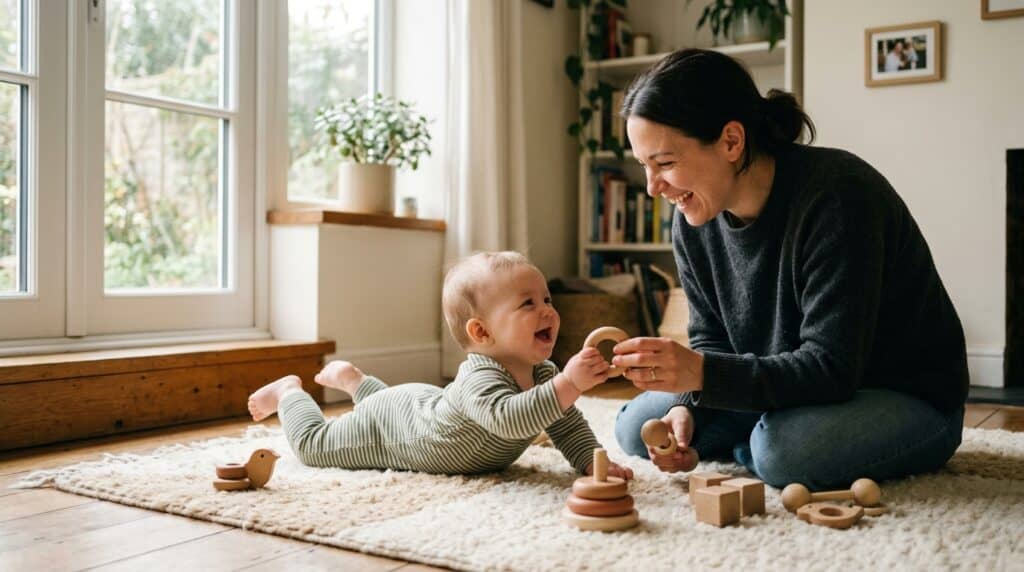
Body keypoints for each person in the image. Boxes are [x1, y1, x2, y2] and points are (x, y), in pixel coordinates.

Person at [610, 48, 968, 490]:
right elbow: (711, 340)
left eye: (664, 164)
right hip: (795, 387)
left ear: (731, 141)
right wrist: (687, 402)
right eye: (645, 167)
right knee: (637, 425)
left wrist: (704, 377)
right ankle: (759, 429)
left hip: (903, 394)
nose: (652, 188)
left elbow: (832, 367)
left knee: (783, 452)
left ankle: (758, 439)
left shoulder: (839, 196)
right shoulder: (693, 217)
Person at [247, 251, 633, 480]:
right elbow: (509, 419)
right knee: (315, 447)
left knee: (399, 401)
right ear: (481, 332)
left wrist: (590, 462)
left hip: (423, 404)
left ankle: (356, 381)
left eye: (546, 298)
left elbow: (565, 422)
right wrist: (571, 383)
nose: (548, 310)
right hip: (399, 431)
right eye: (528, 304)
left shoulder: (544, 375)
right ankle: (289, 393)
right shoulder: (482, 377)